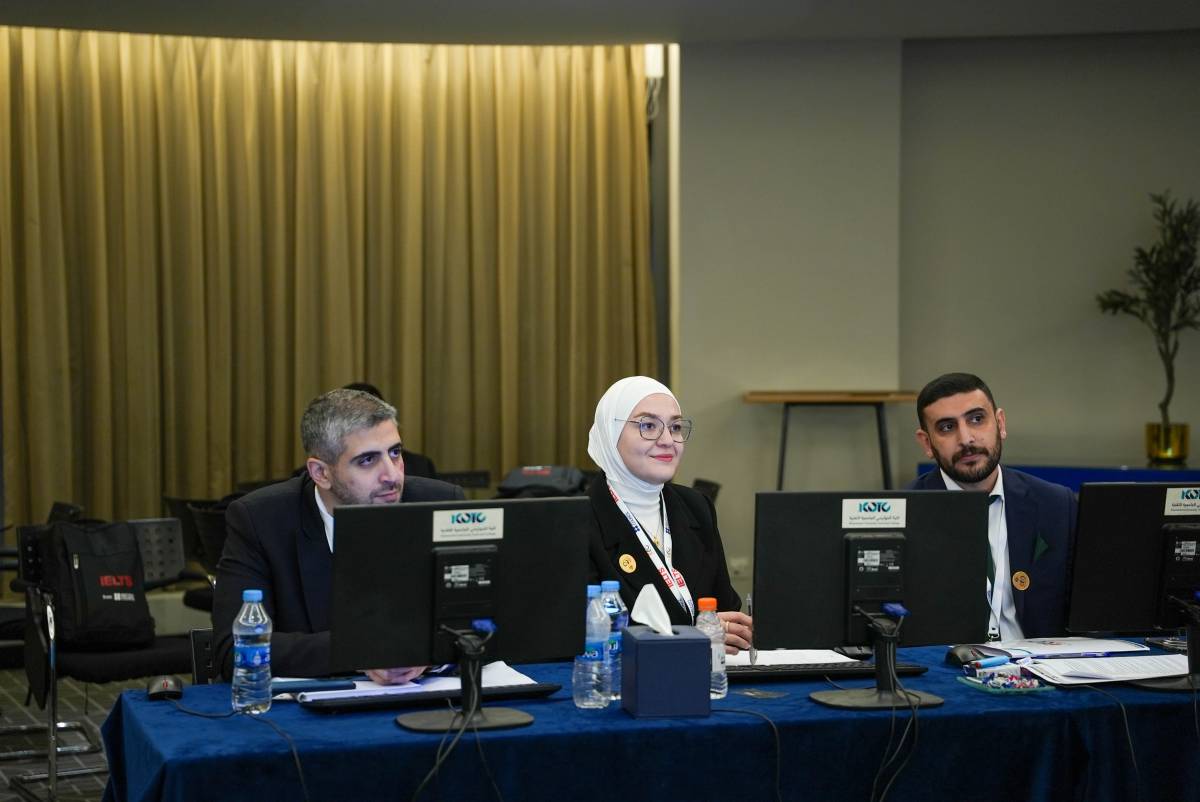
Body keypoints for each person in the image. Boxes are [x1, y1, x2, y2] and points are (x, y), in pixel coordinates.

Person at [212, 388, 464, 681]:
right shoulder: (261, 520)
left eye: (395, 453)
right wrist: (362, 651)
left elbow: (482, 626)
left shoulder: (440, 504)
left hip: (425, 699)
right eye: (367, 460)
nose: (392, 475)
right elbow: (234, 649)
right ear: (321, 473)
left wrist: (427, 652)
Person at [586, 376, 751, 653]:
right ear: (610, 433)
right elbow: (587, 635)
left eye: (675, 427)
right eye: (648, 426)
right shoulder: (580, 521)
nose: (667, 440)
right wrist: (692, 638)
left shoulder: (696, 506)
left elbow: (725, 611)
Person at [908, 372, 1075, 640]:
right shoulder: (906, 514)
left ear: (1000, 423)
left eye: (976, 419)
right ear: (927, 443)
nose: (966, 439)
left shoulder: (1056, 505)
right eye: (947, 427)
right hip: (943, 662)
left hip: (1039, 659)